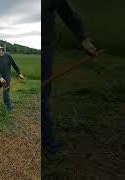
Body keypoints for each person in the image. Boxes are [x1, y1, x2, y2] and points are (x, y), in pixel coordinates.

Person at [43, 0, 97, 156]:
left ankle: (49, 145)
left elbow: (68, 13)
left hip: (45, 47)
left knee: (43, 96)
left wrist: (83, 38)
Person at [0, 43, 25, 112]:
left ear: (0, 49)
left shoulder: (8, 56)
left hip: (7, 78)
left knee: (5, 94)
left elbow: (14, 65)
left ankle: (9, 108)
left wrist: (19, 73)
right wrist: (0, 77)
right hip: (1, 78)